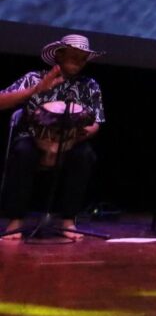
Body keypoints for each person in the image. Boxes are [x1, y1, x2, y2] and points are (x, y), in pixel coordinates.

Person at [0, 34, 105, 240]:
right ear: (59, 54)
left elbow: (96, 123)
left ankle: (68, 221)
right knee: (22, 152)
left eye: (83, 57)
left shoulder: (89, 85)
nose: (79, 60)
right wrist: (37, 90)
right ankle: (15, 220)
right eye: (74, 54)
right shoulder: (34, 78)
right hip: (32, 139)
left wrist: (71, 141)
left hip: (73, 141)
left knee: (84, 155)